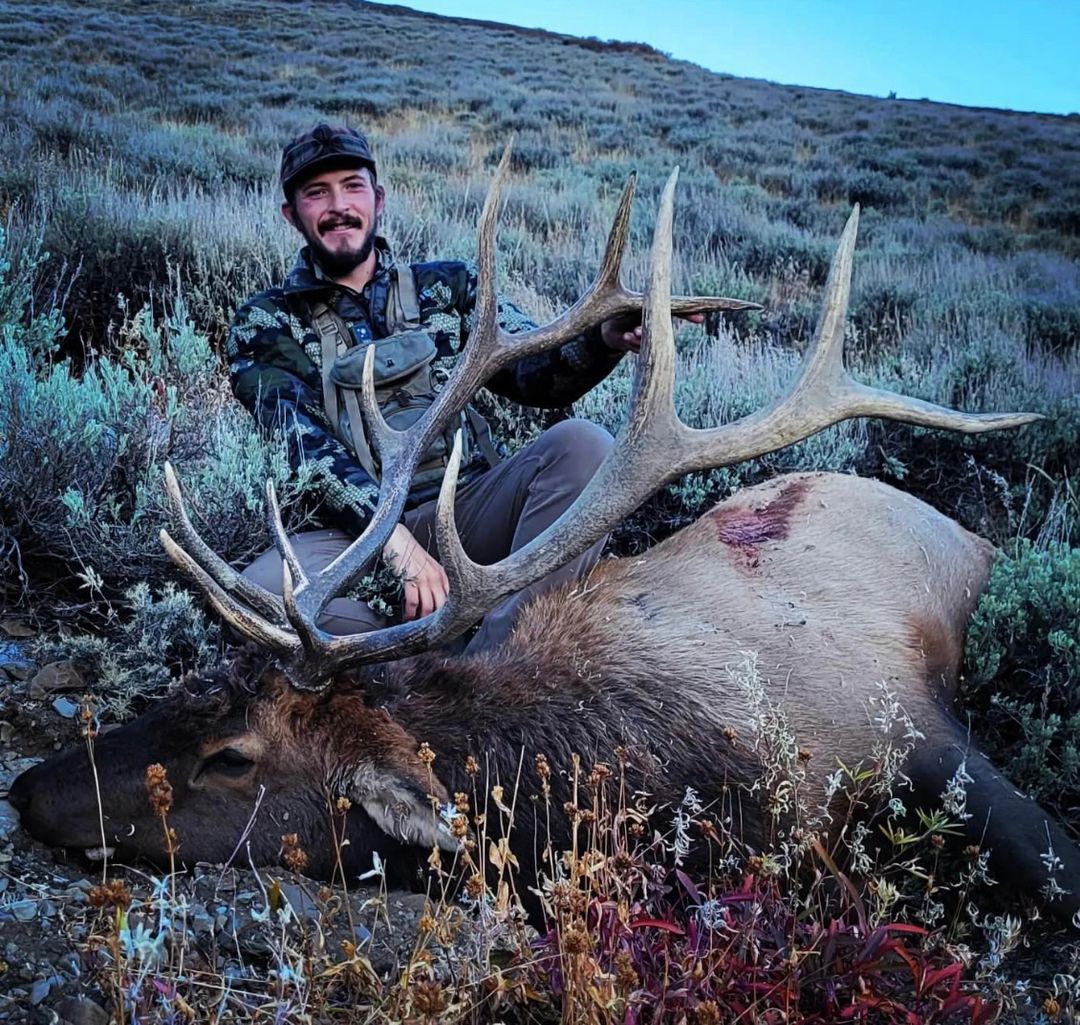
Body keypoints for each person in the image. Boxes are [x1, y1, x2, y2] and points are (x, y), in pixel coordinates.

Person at [227, 123, 676, 653]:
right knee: (257, 594)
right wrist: (396, 547)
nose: (338, 206)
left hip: (464, 511)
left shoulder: (452, 287)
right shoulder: (265, 322)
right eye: (316, 193)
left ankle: (491, 666)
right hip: (351, 541)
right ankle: (425, 659)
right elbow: (302, 448)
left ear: (378, 198)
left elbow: (539, 374)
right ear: (291, 214)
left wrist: (601, 339)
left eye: (352, 186)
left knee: (585, 447)